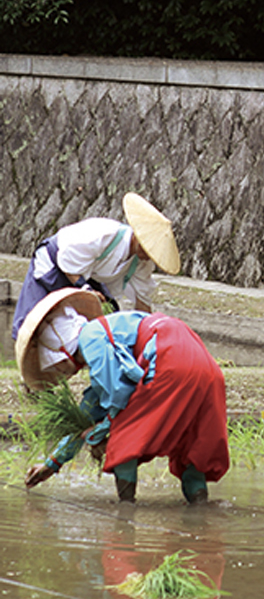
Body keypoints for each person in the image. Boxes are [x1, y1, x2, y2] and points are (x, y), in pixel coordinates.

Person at [17, 288, 229, 504]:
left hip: (170, 360)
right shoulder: (106, 331)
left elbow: (119, 395)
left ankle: (126, 511)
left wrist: (101, 430)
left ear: (63, 349)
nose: (63, 372)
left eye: (59, 366)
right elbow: (89, 410)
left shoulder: (90, 339)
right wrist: (52, 463)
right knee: (190, 442)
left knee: (125, 436)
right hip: (204, 364)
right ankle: (201, 512)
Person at [11, 192, 181, 340]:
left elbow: (142, 300)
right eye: (148, 249)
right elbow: (68, 263)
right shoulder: (103, 235)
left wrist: (147, 332)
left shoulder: (142, 262)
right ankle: (29, 370)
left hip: (88, 276)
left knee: (108, 319)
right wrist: (86, 290)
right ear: (138, 237)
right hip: (56, 263)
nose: (149, 256)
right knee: (30, 323)